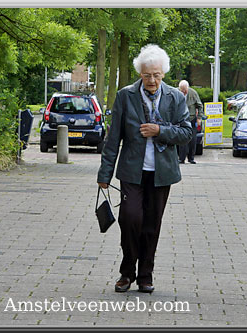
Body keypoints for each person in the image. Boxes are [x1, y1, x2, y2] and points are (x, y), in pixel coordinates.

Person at [97, 44, 192, 293]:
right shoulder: (125, 96)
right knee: (130, 218)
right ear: (140, 73)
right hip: (131, 171)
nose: (152, 80)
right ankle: (127, 270)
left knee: (152, 223)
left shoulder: (175, 97)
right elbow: (113, 138)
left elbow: (186, 132)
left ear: (164, 74)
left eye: (157, 75)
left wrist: (160, 130)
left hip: (162, 173)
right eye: (147, 75)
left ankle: (145, 274)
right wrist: (104, 174)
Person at [177, 80, 203, 164]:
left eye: (185, 90)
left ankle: (191, 158)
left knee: (193, 139)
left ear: (187, 88)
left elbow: (199, 106)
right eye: (182, 90)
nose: (184, 92)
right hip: (181, 119)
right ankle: (181, 158)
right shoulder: (175, 92)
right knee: (182, 139)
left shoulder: (193, 93)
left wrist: (199, 118)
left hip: (191, 118)